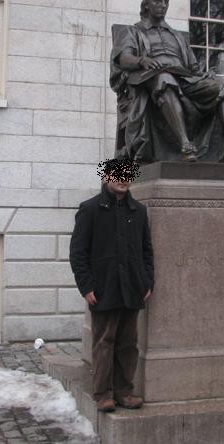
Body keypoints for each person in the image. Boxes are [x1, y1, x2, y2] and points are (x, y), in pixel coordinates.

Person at [110, 0, 224, 165]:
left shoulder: (176, 36)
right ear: (146, 4)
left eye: (166, 1)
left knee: (223, 89)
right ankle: (186, 145)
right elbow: (123, 58)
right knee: (164, 79)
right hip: (152, 77)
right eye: (158, 1)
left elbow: (193, 68)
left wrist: (207, 75)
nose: (163, 5)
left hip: (184, 78)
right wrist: (141, 61)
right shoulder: (133, 31)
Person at [69, 158, 153, 413]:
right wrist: (86, 286)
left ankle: (124, 392)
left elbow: (147, 251)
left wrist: (147, 282)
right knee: (104, 343)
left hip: (132, 289)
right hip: (103, 288)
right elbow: (78, 253)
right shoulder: (90, 209)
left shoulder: (139, 211)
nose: (123, 179)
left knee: (128, 344)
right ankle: (103, 394)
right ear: (107, 177)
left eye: (127, 175)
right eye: (118, 175)